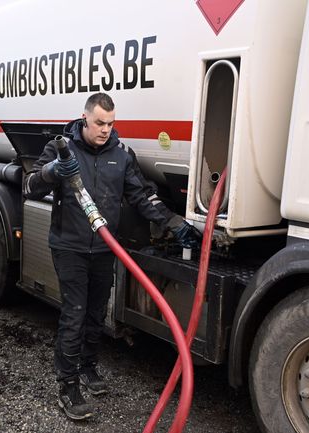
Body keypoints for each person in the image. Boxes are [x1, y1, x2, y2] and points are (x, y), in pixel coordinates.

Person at [23, 93, 201, 420]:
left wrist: (174, 223)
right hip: (69, 247)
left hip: (105, 248)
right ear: (85, 119)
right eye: (99, 123)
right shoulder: (62, 149)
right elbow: (29, 187)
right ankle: (68, 386)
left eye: (111, 123)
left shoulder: (121, 155)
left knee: (95, 312)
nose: (105, 129)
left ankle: (88, 367)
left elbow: (142, 195)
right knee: (74, 314)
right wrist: (52, 171)